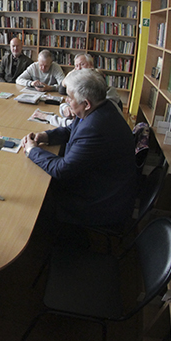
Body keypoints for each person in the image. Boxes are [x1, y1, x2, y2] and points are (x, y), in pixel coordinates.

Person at [22, 69, 137, 230]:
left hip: (98, 203)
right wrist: (46, 136)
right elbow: (72, 130)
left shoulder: (96, 128)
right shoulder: (100, 108)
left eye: (70, 97)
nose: (67, 100)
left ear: (86, 103)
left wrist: (32, 150)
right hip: (99, 182)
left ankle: (53, 237)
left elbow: (62, 170)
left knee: (35, 196)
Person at [50, 53, 123, 126]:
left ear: (91, 66)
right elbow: (62, 92)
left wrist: (49, 118)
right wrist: (65, 107)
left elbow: (76, 124)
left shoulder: (94, 82)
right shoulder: (80, 83)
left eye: (82, 64)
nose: (79, 68)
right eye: (76, 66)